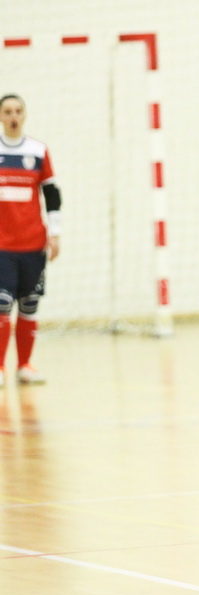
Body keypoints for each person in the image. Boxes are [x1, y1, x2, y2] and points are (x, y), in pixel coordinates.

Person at [0, 94, 61, 387]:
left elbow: (51, 194)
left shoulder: (38, 151)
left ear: (25, 115)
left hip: (33, 244)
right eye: (7, 111)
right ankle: (0, 367)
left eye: (18, 111)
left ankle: (24, 365)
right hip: (2, 246)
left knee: (29, 304)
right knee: (1, 304)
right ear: (1, 117)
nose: (13, 116)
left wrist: (55, 232)